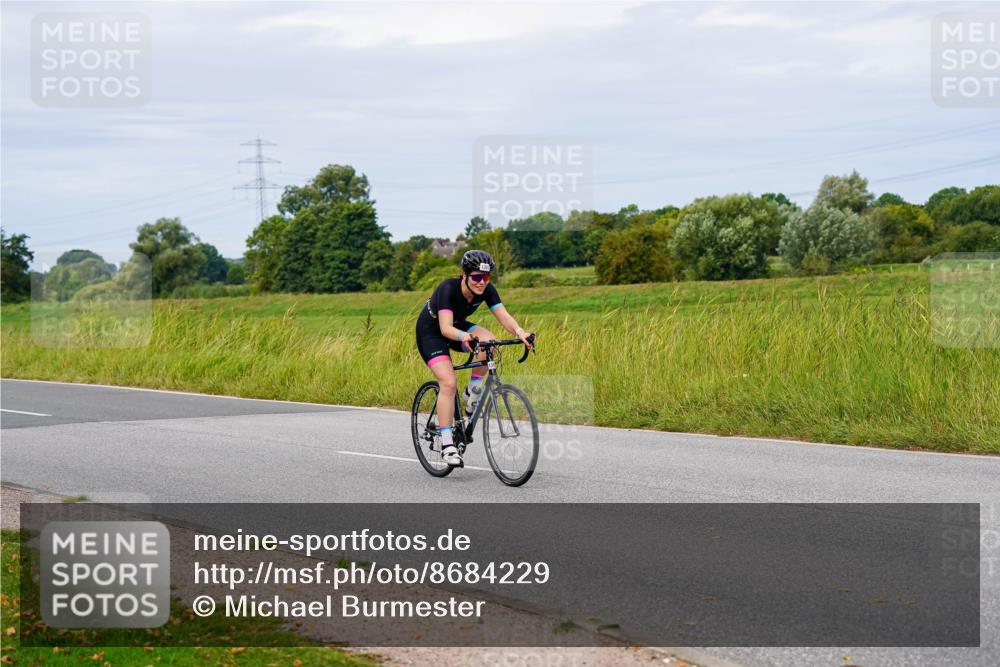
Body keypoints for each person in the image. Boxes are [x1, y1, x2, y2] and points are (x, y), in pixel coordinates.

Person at [415, 250, 533, 467]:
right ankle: (448, 444)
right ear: (464, 275)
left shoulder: (486, 290)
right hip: (432, 331)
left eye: (486, 278)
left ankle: (473, 392)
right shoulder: (448, 289)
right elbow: (444, 327)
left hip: (457, 327)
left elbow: (503, 316)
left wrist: (520, 332)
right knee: (449, 383)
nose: (481, 283)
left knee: (489, 342)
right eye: (477, 277)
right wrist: (465, 337)